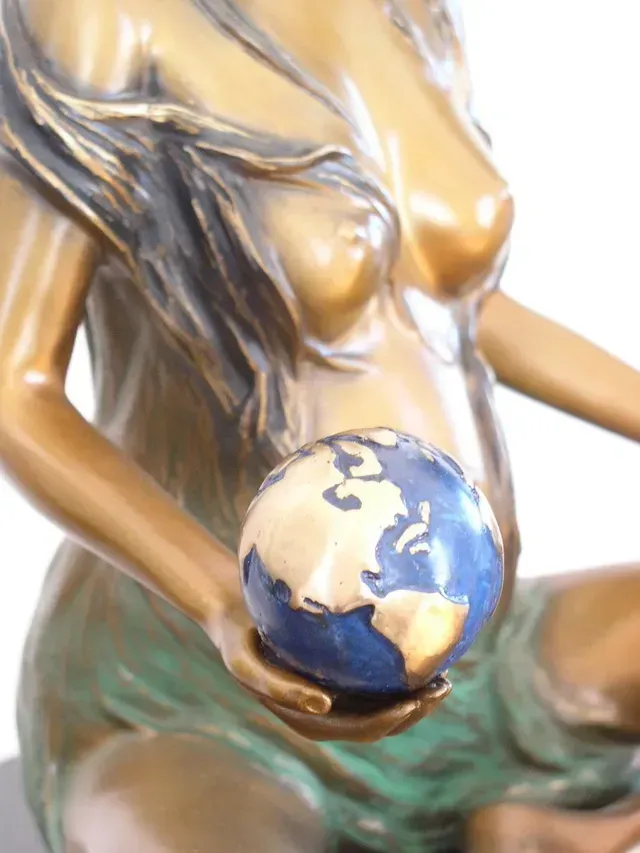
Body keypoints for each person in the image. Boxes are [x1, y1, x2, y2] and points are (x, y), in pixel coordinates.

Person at [1, 0, 640, 850]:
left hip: (457, 642)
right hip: (207, 690)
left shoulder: (411, 12)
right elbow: (17, 390)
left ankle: (542, 829)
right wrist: (220, 601)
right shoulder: (98, 18)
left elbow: (452, 305)